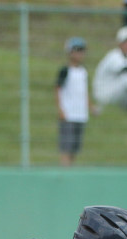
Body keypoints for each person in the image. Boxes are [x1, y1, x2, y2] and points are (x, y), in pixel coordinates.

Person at [56, 37, 92, 167]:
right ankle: (64, 170)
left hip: (80, 115)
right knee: (66, 146)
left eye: (81, 51)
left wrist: (90, 107)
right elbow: (58, 89)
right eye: (76, 51)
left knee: (75, 147)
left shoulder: (83, 72)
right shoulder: (65, 71)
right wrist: (61, 109)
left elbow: (84, 92)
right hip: (69, 114)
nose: (79, 54)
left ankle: (70, 169)